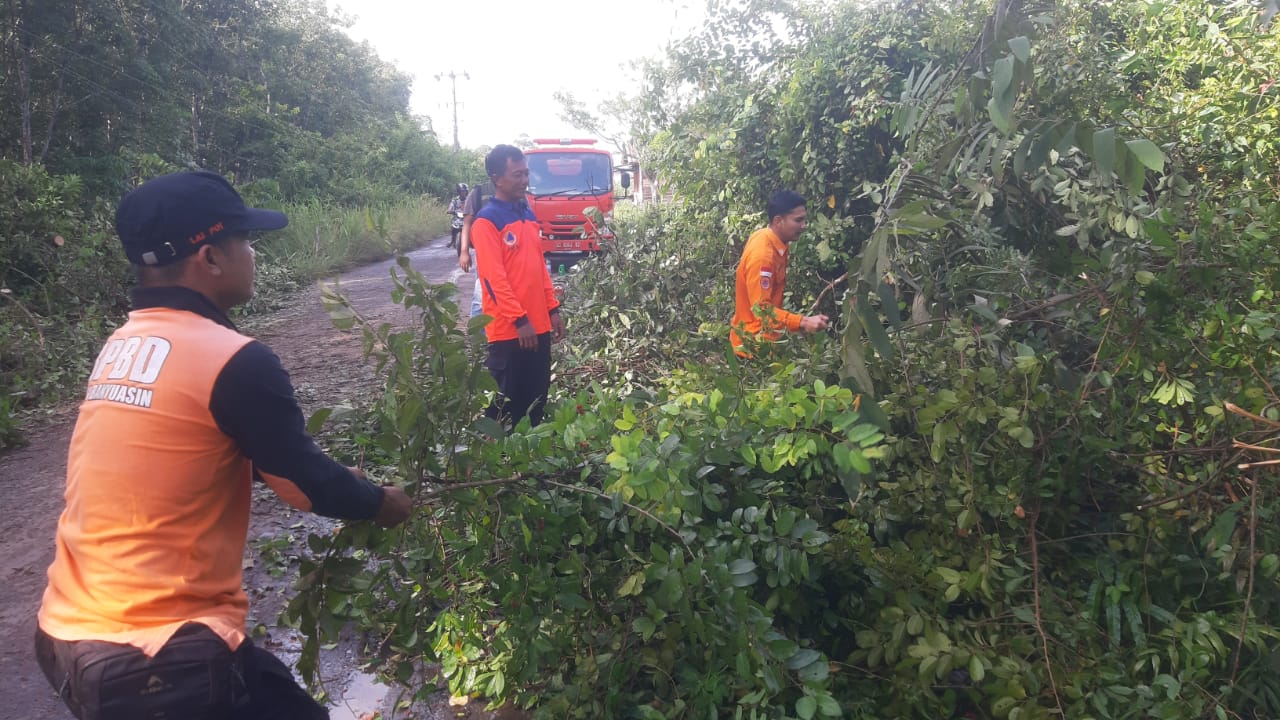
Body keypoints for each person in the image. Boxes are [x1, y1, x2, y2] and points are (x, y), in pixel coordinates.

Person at [34, 170, 413, 719]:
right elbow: (304, 487)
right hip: (157, 653)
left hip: (70, 630)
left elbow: (216, 455)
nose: (254, 254)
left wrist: (322, 474)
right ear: (210, 258)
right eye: (245, 241)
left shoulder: (124, 344)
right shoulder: (234, 358)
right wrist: (381, 503)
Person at [471, 145, 566, 426]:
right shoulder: (486, 221)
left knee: (535, 400)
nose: (524, 180)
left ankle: (529, 463)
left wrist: (552, 309)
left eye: (526, 174)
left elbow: (540, 270)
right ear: (497, 177)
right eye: (517, 174)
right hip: (509, 331)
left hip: (538, 326)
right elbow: (493, 279)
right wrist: (519, 319)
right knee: (505, 404)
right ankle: (497, 462)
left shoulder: (528, 215)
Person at [730, 190, 830, 355]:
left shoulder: (768, 238)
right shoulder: (763, 256)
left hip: (766, 341)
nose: (804, 225)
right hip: (754, 348)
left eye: (804, 219)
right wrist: (803, 322)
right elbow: (762, 311)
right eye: (798, 220)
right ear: (778, 221)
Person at [457, 179, 494, 320]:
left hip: (511, 253)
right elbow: (467, 223)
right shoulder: (479, 192)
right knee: (481, 296)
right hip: (486, 253)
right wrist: (464, 252)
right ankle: (479, 337)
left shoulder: (517, 190)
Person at [447, 183, 468, 250]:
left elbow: (474, 207)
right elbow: (450, 207)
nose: (463, 193)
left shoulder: (469, 200)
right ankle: (453, 240)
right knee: (453, 227)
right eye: (461, 191)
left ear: (466, 192)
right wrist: (450, 211)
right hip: (457, 218)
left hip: (467, 217)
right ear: (458, 192)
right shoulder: (455, 200)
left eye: (464, 191)